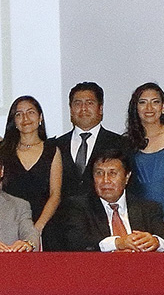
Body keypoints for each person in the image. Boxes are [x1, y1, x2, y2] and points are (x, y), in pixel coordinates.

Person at [46, 82, 124, 251]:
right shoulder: (54, 146)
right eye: (77, 103)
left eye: (89, 103)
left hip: (103, 230)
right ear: (70, 109)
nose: (83, 108)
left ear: (100, 109)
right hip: (60, 233)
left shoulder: (120, 143)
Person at [63, 148, 164, 252]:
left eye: (112, 173)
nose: (105, 180)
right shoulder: (79, 206)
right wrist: (117, 243)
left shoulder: (147, 208)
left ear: (127, 177)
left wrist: (155, 242)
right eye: (99, 173)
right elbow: (75, 242)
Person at [123, 83, 164, 249]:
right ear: (135, 108)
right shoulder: (127, 142)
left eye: (155, 102)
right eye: (142, 102)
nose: (149, 108)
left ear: (163, 107)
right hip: (140, 217)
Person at [0, 95, 63, 248]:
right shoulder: (3, 151)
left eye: (30, 112)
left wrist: (37, 229)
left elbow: (55, 194)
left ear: (40, 117)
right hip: (10, 228)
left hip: (46, 227)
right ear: (13, 121)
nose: (25, 118)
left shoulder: (52, 151)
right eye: (19, 114)